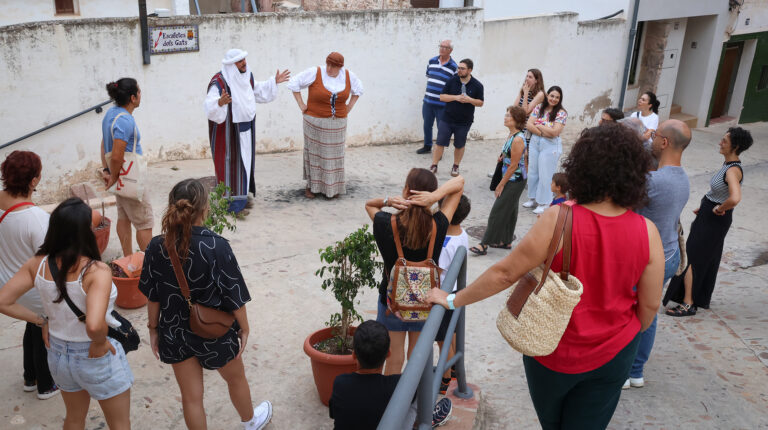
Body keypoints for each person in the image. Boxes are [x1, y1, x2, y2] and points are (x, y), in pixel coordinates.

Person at [428, 123, 665, 430]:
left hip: (553, 350)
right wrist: (623, 339)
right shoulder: (647, 232)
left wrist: (450, 298)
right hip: (615, 353)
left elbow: (504, 273)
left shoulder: (558, 219)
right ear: (634, 172)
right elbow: (649, 306)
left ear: (581, 167)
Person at [139, 178, 272, 430]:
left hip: (175, 332)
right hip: (215, 333)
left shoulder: (156, 246)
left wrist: (153, 329)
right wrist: (244, 328)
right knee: (235, 379)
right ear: (204, 209)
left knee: (191, 397)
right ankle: (250, 422)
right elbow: (234, 294)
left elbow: (152, 295)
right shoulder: (216, 246)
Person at [0, 198, 134, 429]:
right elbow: (93, 325)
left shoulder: (38, 264)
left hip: (59, 352)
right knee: (119, 423)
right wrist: (100, 342)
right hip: (94, 353)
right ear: (85, 233)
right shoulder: (96, 270)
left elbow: (3, 300)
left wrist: (42, 321)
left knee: (73, 418)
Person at [365, 170, 464, 375]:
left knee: (394, 357)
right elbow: (459, 183)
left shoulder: (385, 222)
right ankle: (416, 401)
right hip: (425, 302)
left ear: (405, 191)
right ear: (431, 194)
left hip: (392, 303)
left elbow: (369, 205)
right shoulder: (439, 224)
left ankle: (393, 402)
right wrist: (435, 198)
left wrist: (388, 201)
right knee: (416, 356)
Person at [623, 119, 691, 389]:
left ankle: (625, 371)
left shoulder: (653, 181)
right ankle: (636, 372)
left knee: (630, 314)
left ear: (664, 143)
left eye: (655, 135)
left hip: (646, 259)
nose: (650, 137)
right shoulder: (682, 178)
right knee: (649, 313)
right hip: (669, 253)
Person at [664, 127, 754, 316]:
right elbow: (720, 192)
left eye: (724, 141)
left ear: (735, 146)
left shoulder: (732, 170)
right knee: (707, 257)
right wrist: (706, 206)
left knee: (692, 257)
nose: (720, 143)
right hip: (709, 215)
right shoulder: (729, 165)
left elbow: (735, 198)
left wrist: (719, 208)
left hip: (714, 219)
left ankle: (688, 303)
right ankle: (699, 297)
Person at [0, 151, 58, 400]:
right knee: (45, 325)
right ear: (34, 181)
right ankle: (46, 385)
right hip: (32, 289)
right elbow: (48, 264)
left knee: (33, 323)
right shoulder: (37, 219)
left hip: (10, 287)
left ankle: (29, 377)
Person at [204, 49, 290, 213]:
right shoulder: (219, 83)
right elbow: (209, 105)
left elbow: (257, 90)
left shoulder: (247, 76)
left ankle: (241, 200)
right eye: (239, 61)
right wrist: (220, 103)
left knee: (244, 165)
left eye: (244, 60)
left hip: (246, 129)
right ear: (231, 65)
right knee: (230, 165)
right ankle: (230, 206)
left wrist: (274, 82)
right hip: (229, 133)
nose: (244, 63)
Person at [329, 320, 452, 429]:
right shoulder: (398, 385)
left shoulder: (340, 382)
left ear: (354, 355)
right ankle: (425, 421)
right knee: (422, 386)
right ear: (388, 354)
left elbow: (334, 414)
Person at [288, 52, 364, 199]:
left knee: (334, 157)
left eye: (333, 66)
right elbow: (294, 83)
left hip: (338, 124)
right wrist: (301, 104)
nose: (329, 69)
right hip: (314, 122)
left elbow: (359, 90)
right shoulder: (315, 72)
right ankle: (312, 186)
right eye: (328, 64)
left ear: (340, 67)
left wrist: (349, 107)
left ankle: (332, 188)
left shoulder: (348, 76)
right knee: (314, 155)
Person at [101, 77, 153, 256]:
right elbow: (117, 156)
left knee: (123, 217)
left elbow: (103, 143)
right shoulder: (125, 121)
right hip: (129, 176)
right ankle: (148, 268)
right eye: (138, 91)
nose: (140, 94)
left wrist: (107, 171)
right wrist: (114, 176)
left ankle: (128, 259)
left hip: (119, 176)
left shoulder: (111, 114)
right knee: (144, 223)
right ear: (132, 98)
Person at [470, 105, 527, 256]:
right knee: (511, 210)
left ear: (516, 120)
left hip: (515, 180)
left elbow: (514, 165)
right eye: (506, 114)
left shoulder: (518, 139)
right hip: (513, 178)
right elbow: (512, 157)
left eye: (509, 116)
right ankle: (506, 241)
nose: (505, 117)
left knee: (498, 211)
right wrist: (503, 157)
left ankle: (484, 244)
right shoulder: (512, 135)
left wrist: (500, 185)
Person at [436, 194, 470, 394]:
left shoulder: (445, 244)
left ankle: (444, 377)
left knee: (443, 339)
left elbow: (438, 273)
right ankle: (456, 368)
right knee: (454, 331)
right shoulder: (462, 234)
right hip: (457, 289)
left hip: (444, 293)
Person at [430, 59, 484, 177]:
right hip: (447, 118)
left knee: (460, 145)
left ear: (470, 70)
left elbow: (480, 103)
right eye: (458, 68)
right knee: (440, 142)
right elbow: (442, 97)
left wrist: (469, 100)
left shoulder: (477, 85)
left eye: (462, 68)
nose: (459, 70)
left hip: (464, 121)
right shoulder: (452, 81)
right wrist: (456, 97)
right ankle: (434, 165)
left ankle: (456, 166)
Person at [522, 86, 567, 214]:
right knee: (533, 171)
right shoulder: (539, 107)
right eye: (552, 96)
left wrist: (540, 124)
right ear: (547, 96)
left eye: (557, 97)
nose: (554, 99)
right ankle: (533, 198)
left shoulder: (561, 113)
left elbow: (555, 132)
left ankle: (544, 202)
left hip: (551, 145)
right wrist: (542, 132)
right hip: (536, 142)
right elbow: (529, 124)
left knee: (545, 174)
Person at [417, 40, 458, 155]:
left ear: (451, 50)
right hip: (428, 101)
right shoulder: (432, 61)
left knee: (442, 128)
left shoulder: (454, 67)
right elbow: (430, 76)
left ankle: (439, 151)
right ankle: (427, 146)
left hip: (442, 104)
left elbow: (454, 85)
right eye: (441, 46)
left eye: (445, 47)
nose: (442, 49)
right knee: (427, 125)